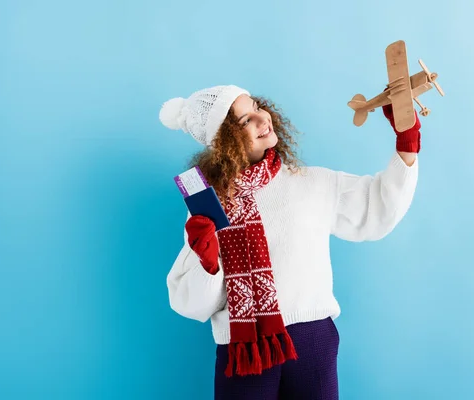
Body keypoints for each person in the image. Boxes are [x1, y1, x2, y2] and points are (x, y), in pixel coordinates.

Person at [160, 84, 420, 400]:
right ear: (224, 140)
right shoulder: (209, 205)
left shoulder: (313, 183)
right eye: (245, 121)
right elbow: (192, 304)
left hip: (311, 341)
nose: (261, 119)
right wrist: (208, 262)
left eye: (257, 106)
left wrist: (406, 144)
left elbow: (377, 207)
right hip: (245, 353)